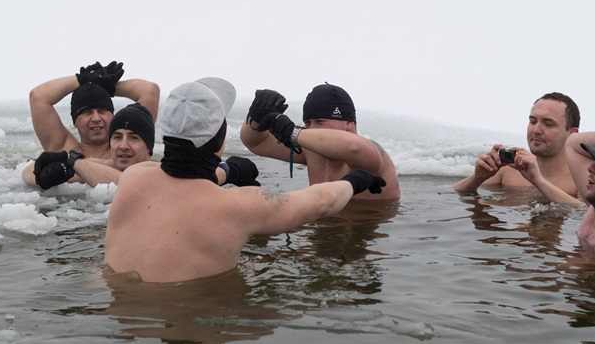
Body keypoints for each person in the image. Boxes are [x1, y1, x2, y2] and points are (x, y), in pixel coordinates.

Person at [105, 77, 387, 283]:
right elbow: (323, 201)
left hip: (119, 308)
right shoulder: (243, 205)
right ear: (218, 139)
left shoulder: (133, 176)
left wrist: (227, 171)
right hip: (191, 307)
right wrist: (355, 181)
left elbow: (183, 183)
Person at [23, 102, 259, 190]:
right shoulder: (92, 167)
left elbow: (129, 184)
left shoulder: (163, 172)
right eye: (117, 137)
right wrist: (54, 170)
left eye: (134, 138)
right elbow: (27, 173)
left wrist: (229, 170)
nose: (123, 145)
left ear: (149, 148)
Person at [238, 84, 400, 200]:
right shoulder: (313, 152)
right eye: (308, 123)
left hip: (367, 231)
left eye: (320, 122)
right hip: (323, 229)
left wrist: (292, 133)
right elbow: (256, 143)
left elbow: (354, 147)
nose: (312, 130)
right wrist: (256, 118)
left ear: (349, 124)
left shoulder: (372, 153)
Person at [453, 92, 581, 204]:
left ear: (572, 134)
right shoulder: (508, 170)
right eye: (533, 121)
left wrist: (538, 181)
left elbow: (588, 213)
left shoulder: (584, 178)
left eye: (548, 124)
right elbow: (448, 194)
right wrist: (477, 178)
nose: (536, 130)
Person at [28, 60, 160, 160]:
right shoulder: (63, 149)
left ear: (112, 116)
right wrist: (82, 79)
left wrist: (104, 84)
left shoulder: (130, 147)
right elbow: (38, 97)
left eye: (102, 111)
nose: (96, 118)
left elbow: (150, 90)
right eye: (87, 112)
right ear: (75, 121)